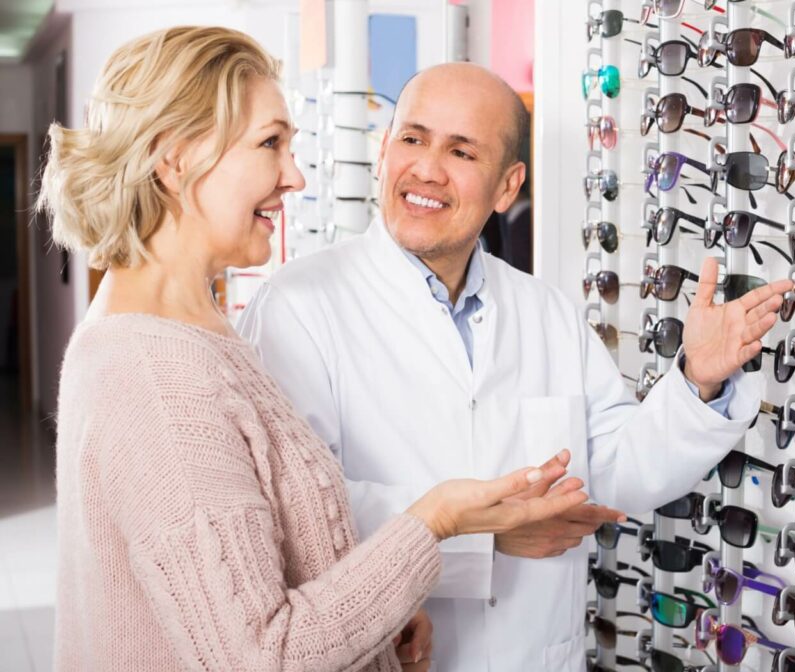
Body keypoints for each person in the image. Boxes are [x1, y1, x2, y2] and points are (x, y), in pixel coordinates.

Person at [38, 27, 590, 671]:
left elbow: (263, 568)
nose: (294, 177)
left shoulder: (199, 332)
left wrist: (380, 615)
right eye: (270, 143)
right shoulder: (153, 375)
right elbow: (260, 657)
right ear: (175, 157)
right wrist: (434, 520)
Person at [239, 62, 793, 671]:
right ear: (383, 152)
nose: (426, 168)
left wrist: (698, 378)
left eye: (462, 152)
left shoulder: (546, 313)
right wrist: (487, 536)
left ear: (507, 187)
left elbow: (616, 470)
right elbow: (302, 519)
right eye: (412, 138)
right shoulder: (298, 307)